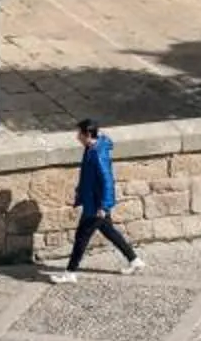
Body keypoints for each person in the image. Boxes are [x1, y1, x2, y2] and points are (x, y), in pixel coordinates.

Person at [47, 118, 141, 280]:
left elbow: (107, 181)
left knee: (81, 237)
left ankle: (70, 273)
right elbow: (89, 177)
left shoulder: (97, 154)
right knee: (109, 231)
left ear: (88, 134)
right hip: (93, 201)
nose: (77, 137)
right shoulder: (91, 148)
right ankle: (134, 260)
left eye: (79, 134)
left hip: (96, 205)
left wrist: (104, 206)